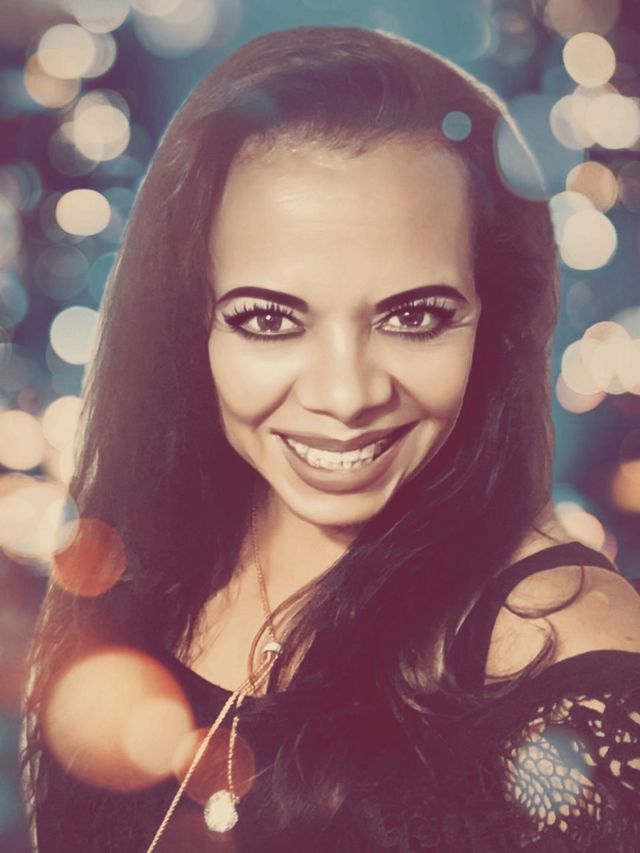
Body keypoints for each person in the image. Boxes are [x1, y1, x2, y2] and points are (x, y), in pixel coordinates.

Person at [23, 25, 640, 853]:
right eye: (268, 320)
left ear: (494, 324)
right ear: (189, 323)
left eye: (415, 317)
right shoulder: (145, 555)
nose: (346, 395)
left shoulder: (575, 667)